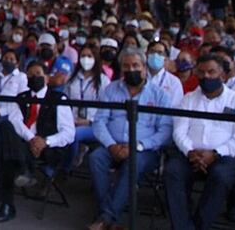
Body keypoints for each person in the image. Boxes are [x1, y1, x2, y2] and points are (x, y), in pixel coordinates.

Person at [164, 54, 235, 230]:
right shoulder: (188, 99)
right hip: (191, 154)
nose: (206, 76)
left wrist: (216, 153)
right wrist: (190, 152)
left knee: (220, 175)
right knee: (173, 171)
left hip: (226, 156)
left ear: (222, 75)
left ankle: (199, 226)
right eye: (202, 72)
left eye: (211, 72)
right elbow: (179, 131)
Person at [89, 48, 174, 230]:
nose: (131, 69)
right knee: (96, 158)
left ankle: (106, 217)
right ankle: (110, 219)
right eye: (126, 66)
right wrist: (111, 145)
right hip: (113, 145)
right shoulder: (111, 90)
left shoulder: (159, 95)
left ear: (144, 68)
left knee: (133, 163)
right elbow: (99, 121)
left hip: (144, 150)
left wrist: (137, 146)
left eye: (136, 65)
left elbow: (165, 131)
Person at [0, 60, 74, 223]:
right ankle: (23, 171)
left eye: (38, 74)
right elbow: (16, 121)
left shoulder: (59, 99)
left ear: (47, 77)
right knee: (5, 126)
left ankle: (7, 203)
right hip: (23, 143)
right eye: (30, 75)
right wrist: (32, 139)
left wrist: (45, 141)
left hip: (48, 148)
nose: (34, 77)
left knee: (8, 158)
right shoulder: (21, 98)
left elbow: (69, 133)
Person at [66, 44, 109, 170]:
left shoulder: (103, 81)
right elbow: (65, 100)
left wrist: (89, 121)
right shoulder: (72, 78)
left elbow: (106, 108)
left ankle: (66, 168)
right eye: (83, 56)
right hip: (72, 121)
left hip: (93, 124)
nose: (86, 59)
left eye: (89, 56)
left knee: (73, 134)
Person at [146, 39, 184, 108]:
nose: (155, 55)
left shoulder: (174, 82)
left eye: (160, 53)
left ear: (166, 58)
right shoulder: (139, 76)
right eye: (152, 51)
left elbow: (175, 107)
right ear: (146, 54)